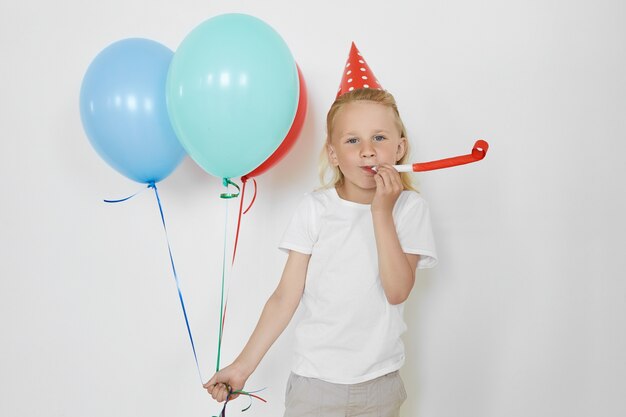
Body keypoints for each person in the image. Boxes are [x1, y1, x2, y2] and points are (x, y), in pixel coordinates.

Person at [204, 42, 438, 417]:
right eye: (352, 140)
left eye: (379, 138)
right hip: (314, 386)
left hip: (380, 384)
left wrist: (381, 212)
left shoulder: (409, 210)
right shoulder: (315, 209)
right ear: (333, 154)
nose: (367, 151)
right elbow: (284, 298)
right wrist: (242, 367)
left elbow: (397, 292)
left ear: (400, 147)